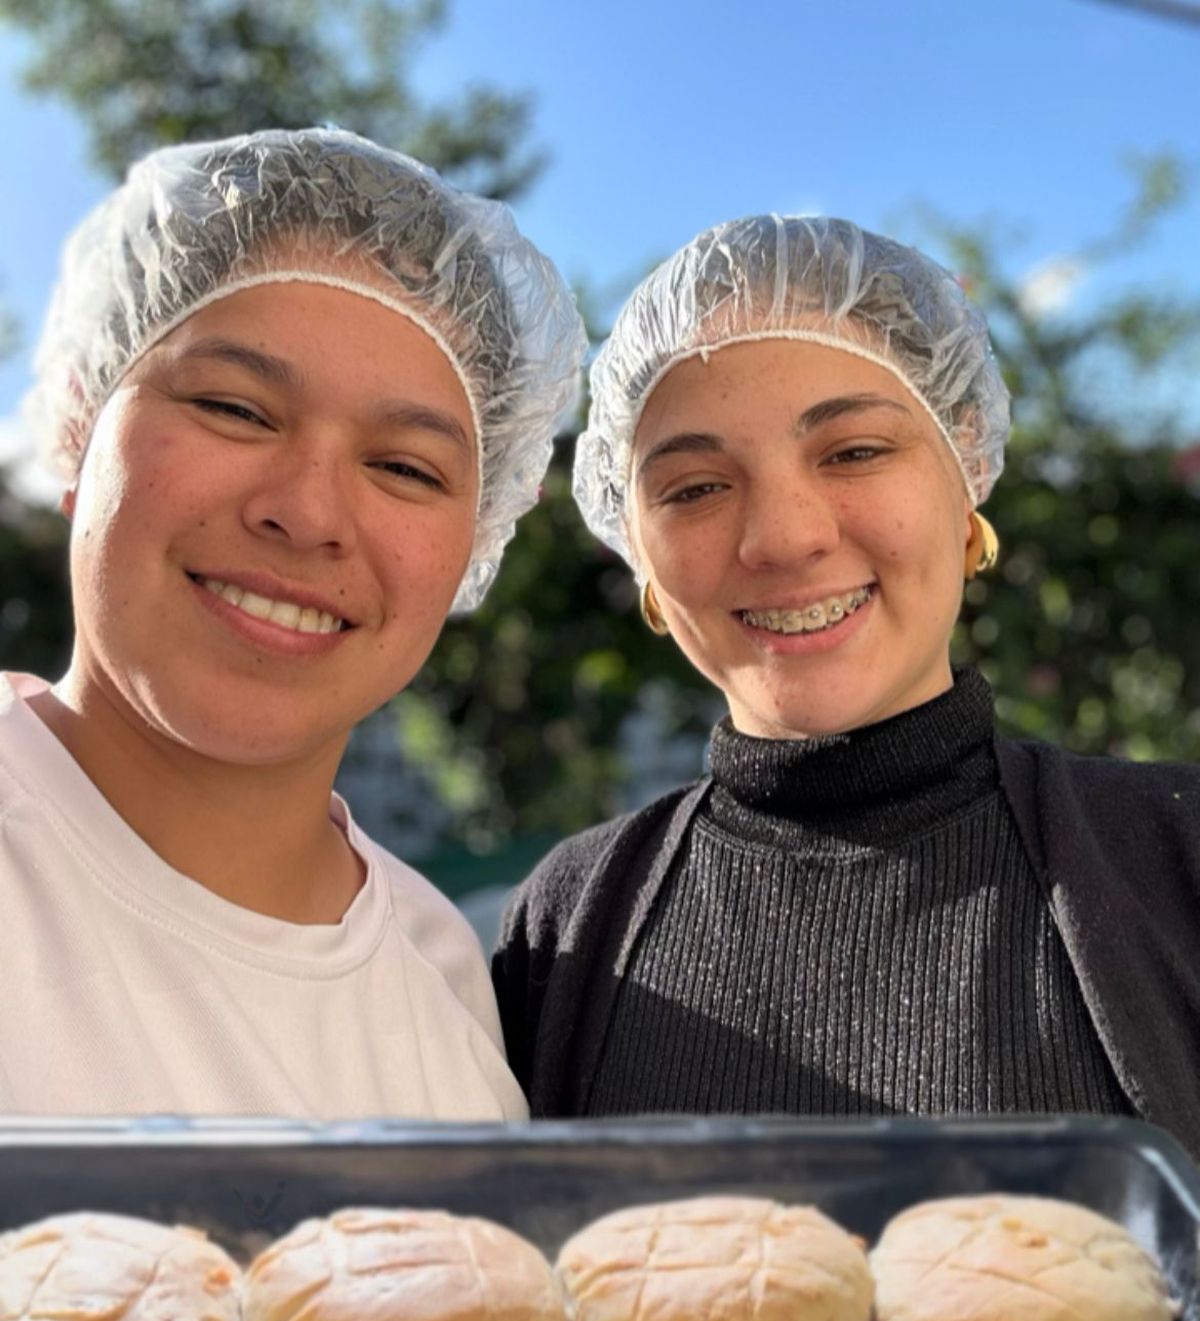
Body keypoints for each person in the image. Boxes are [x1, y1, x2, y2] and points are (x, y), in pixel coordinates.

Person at [492, 214, 1200, 1156]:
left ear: (964, 484)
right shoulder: (565, 926)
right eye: (696, 487)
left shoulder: (1174, 855)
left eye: (854, 451)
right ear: (642, 559)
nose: (783, 536)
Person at [1, 126, 586, 1119]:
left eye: (406, 467)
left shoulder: (443, 977)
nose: (308, 512)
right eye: (236, 407)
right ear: (81, 425)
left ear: (473, 545)